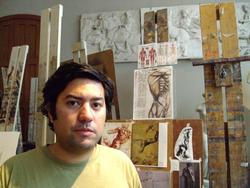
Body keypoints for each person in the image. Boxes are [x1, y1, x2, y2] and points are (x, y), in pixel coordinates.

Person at [0, 62, 142, 188]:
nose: (86, 116)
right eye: (73, 103)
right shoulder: (12, 172)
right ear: (50, 111)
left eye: (96, 105)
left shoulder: (122, 166)